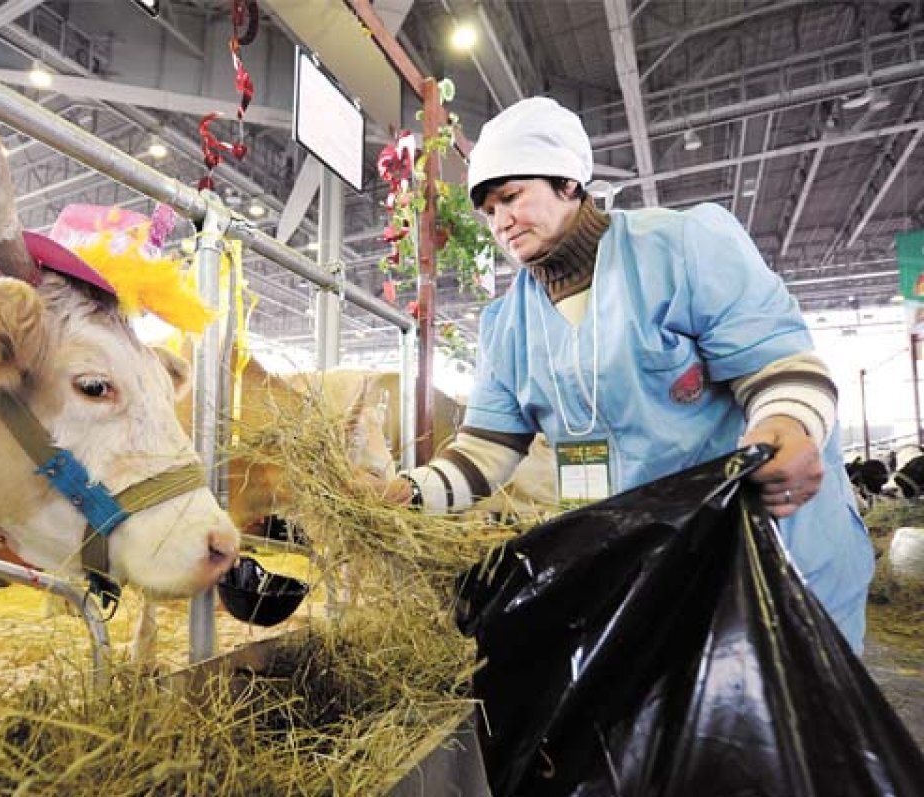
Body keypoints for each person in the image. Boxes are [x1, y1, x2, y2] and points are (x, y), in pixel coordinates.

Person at [369, 96, 874, 651]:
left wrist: (791, 425)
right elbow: (484, 452)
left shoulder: (680, 248)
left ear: (568, 183)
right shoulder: (507, 325)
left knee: (782, 719)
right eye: (488, 211)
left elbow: (779, 364)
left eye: (512, 197)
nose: (501, 222)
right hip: (651, 570)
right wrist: (404, 493)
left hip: (768, 553)